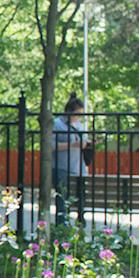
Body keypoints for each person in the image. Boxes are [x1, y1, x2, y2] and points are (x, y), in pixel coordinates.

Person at [52, 92, 90, 225]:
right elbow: (51, 146)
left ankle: (80, 219)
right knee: (62, 198)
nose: (79, 117)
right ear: (69, 112)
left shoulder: (79, 125)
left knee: (79, 196)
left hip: (78, 166)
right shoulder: (57, 124)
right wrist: (72, 145)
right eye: (77, 114)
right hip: (62, 166)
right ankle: (62, 224)